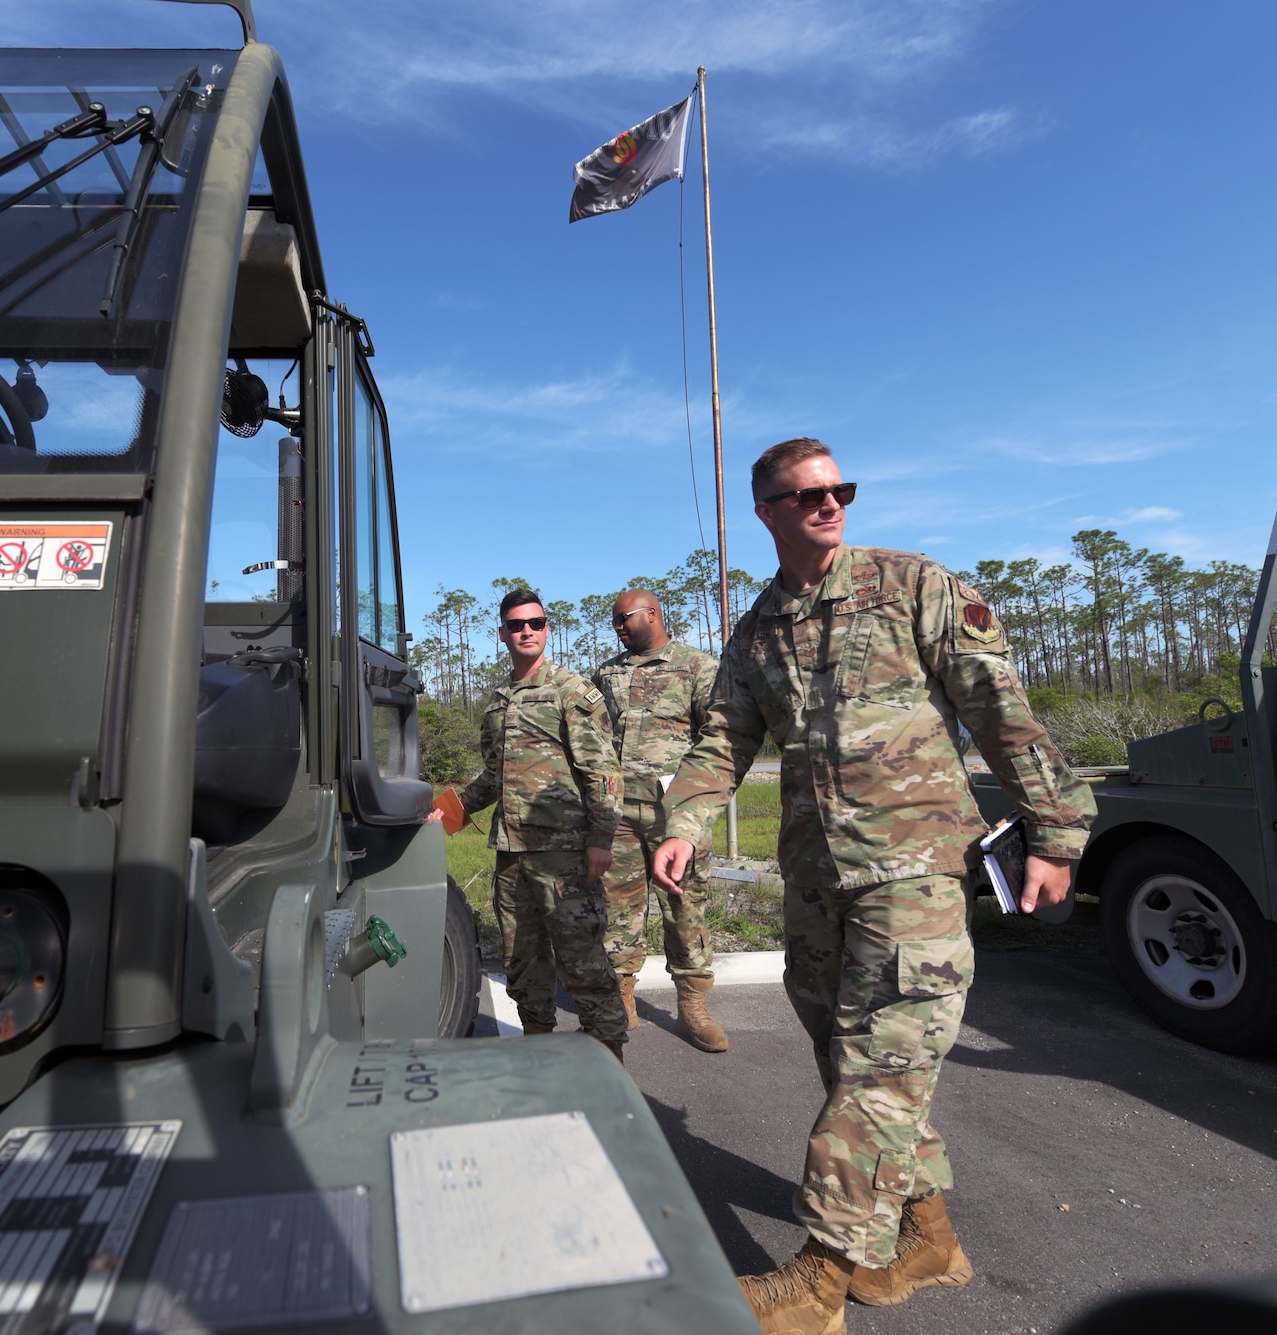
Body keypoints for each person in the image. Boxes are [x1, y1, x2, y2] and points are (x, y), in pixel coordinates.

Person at [652, 438, 1097, 1334]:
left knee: (880, 1069)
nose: (828, 503)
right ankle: (925, 1237)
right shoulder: (758, 630)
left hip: (914, 871)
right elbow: (725, 741)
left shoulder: (912, 584)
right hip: (818, 878)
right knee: (845, 1053)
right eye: (806, 493)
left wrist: (1055, 829)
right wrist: (682, 820)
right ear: (766, 510)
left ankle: (819, 1280)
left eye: (838, 489)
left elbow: (998, 705)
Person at [437, 588, 629, 1059]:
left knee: (583, 963)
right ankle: (538, 1057)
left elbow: (603, 772)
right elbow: (492, 777)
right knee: (523, 965)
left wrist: (601, 840)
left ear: (548, 629)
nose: (527, 631)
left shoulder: (571, 691)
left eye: (536, 623)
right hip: (512, 857)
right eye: (517, 624)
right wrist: (444, 814)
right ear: (501, 633)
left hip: (565, 856)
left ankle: (609, 1067)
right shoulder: (498, 701)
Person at [593, 589, 728, 1052]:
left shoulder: (697, 667)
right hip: (619, 815)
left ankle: (693, 1006)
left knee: (685, 907)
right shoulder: (608, 673)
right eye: (614, 621)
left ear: (652, 614)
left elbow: (719, 740)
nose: (617, 627)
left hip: (677, 817)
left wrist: (696, 804)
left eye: (622, 618)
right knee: (618, 909)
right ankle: (622, 995)